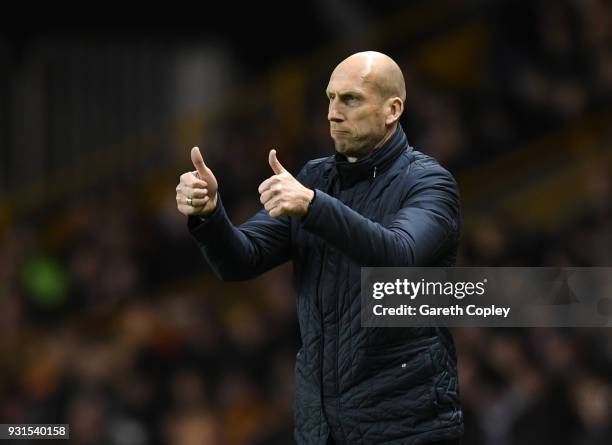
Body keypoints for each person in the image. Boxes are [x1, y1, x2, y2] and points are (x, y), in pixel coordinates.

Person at [176, 51, 463, 445]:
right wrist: (209, 215)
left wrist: (313, 205)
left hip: (406, 426)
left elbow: (399, 255)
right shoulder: (315, 178)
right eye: (330, 97)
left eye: (351, 99)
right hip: (323, 429)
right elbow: (241, 259)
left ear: (392, 109)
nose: (333, 112)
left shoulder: (429, 183)